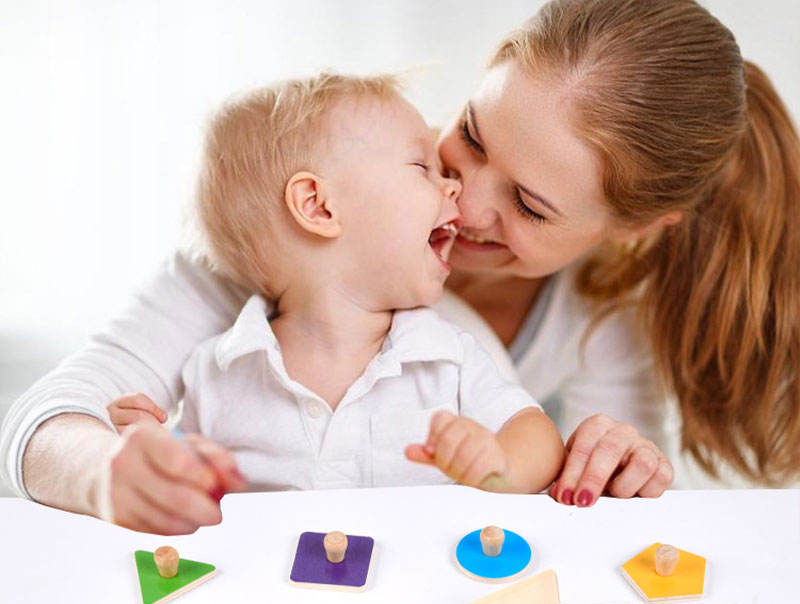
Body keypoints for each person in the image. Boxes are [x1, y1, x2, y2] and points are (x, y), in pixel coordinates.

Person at [3, 0, 798, 534]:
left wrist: (613, 476)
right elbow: (45, 420)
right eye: (472, 136)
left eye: (529, 206)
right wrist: (111, 471)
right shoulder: (280, 235)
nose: (464, 199)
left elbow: (586, 530)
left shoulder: (603, 318)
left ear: (632, 230)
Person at [106, 73, 564, 500]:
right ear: (318, 206)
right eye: (422, 167)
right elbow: (196, 499)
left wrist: (500, 463)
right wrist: (155, 457)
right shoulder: (217, 373)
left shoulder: (448, 357)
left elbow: (538, 435)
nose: (453, 188)